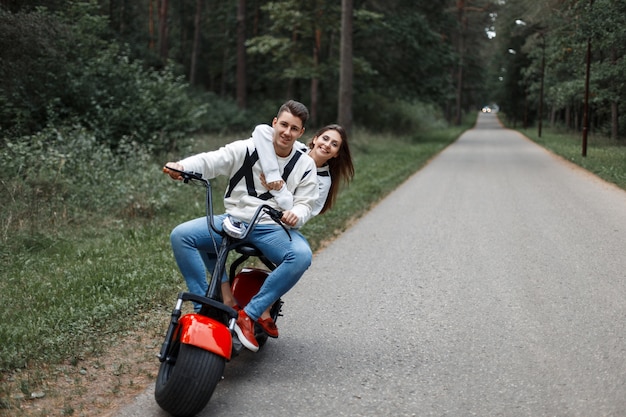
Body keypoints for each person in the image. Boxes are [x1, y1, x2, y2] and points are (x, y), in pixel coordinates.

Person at [164, 100, 318, 353]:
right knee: (181, 235)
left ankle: (251, 313)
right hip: (233, 219)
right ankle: (207, 307)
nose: (287, 133)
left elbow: (306, 203)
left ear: (301, 133)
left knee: (301, 256)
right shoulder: (247, 148)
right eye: (284, 125)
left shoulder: (305, 164)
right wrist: (183, 167)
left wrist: (295, 214)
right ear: (275, 123)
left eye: (294, 129)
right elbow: (212, 160)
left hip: (272, 227)